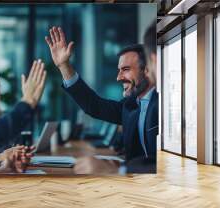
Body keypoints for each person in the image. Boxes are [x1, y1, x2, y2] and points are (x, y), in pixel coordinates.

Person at [44, 27, 158, 174]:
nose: (118, 77)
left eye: (126, 69)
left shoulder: (163, 104)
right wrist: (64, 66)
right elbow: (94, 105)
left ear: (147, 69)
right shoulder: (130, 106)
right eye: (119, 70)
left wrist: (120, 170)